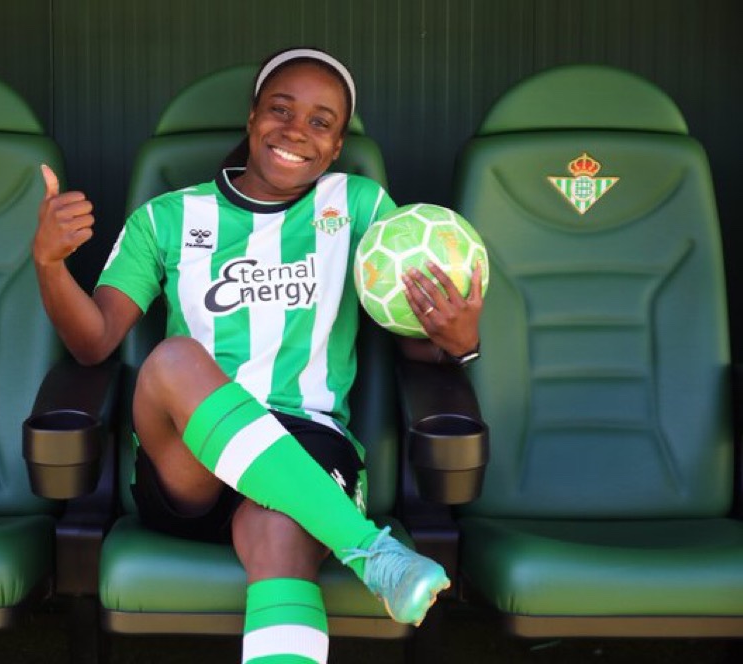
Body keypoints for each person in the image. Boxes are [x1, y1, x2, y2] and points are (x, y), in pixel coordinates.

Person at [34, 47, 483, 664]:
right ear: (251, 119)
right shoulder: (166, 218)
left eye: (320, 122)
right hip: (189, 464)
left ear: (336, 146)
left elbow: (411, 337)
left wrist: (458, 342)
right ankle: (371, 552)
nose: (296, 130)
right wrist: (50, 264)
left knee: (280, 529)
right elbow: (94, 342)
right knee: (173, 358)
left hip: (310, 441)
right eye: (281, 110)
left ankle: (349, 548)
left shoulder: (358, 205)